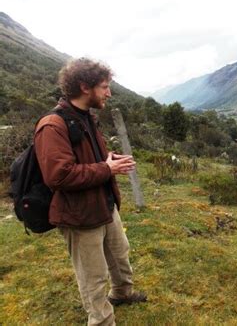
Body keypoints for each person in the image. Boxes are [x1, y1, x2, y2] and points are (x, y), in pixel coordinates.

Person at [35, 58, 147, 326]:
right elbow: (58, 175)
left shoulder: (86, 117)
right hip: (79, 215)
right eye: (105, 87)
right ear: (85, 86)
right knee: (93, 277)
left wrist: (108, 159)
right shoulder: (52, 125)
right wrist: (107, 170)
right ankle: (102, 321)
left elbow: (88, 160)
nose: (108, 93)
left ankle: (122, 293)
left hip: (103, 204)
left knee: (120, 254)